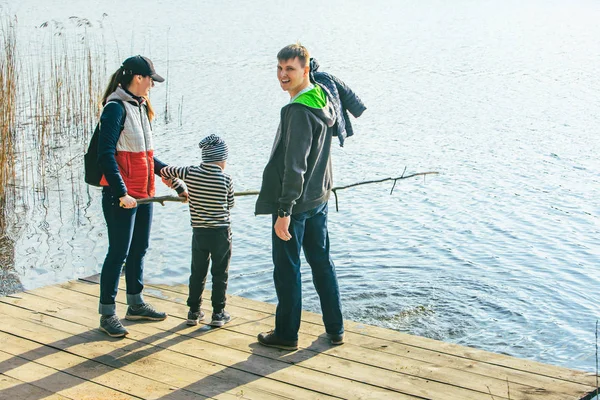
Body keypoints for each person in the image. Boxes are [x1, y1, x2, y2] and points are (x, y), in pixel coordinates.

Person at [254, 43, 345, 350]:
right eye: (279, 68)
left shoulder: (297, 111)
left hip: (297, 205)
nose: (283, 75)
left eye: (290, 69)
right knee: (321, 263)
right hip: (318, 199)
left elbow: (295, 166)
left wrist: (284, 211)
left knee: (287, 269)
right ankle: (336, 328)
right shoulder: (323, 97)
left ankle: (287, 334)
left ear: (306, 70)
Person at [97, 55, 187, 337]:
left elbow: (147, 157)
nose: (152, 85)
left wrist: (173, 180)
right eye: (151, 80)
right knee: (118, 252)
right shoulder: (115, 109)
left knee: (139, 249)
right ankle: (107, 314)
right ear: (138, 78)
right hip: (121, 196)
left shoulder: (141, 106)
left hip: (144, 194)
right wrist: (121, 192)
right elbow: (105, 155)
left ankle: (135, 304)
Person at [160, 134, 234, 327]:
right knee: (220, 273)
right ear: (221, 159)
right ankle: (218, 313)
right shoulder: (226, 178)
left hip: (199, 232)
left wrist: (180, 189)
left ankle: (193, 312)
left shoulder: (190, 172)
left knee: (198, 271)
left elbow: (165, 171)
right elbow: (230, 203)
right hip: (221, 233)